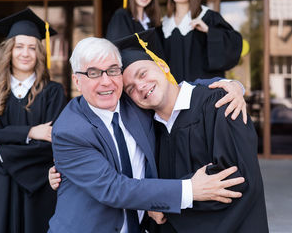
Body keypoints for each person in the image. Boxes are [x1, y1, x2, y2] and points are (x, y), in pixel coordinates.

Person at [48, 35, 246, 233]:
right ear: (77, 80)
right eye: (93, 73)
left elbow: (170, 87)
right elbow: (113, 189)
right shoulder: (69, 131)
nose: (106, 81)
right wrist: (190, 189)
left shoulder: (134, 101)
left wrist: (231, 85)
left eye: (112, 70)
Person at [119, 30, 268, 232]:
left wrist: (162, 201)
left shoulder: (219, 103)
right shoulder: (151, 131)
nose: (141, 86)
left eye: (142, 74)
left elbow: (235, 180)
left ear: (162, 66)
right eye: (130, 89)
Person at [0, 8, 67, 233]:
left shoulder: (53, 93)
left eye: (32, 47)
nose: (25, 53)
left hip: (39, 186)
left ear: (39, 53)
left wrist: (2, 152)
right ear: (9, 51)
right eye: (19, 46)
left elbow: (52, 144)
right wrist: (29, 133)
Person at [162, 0, 242, 83]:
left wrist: (209, 31)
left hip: (201, 90)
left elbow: (234, 43)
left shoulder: (209, 17)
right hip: (172, 91)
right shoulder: (164, 23)